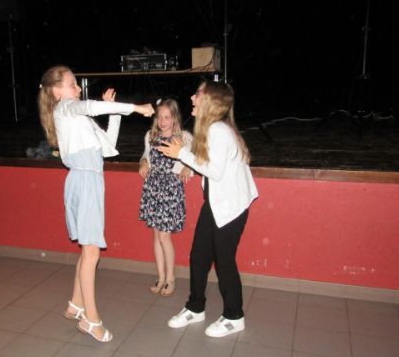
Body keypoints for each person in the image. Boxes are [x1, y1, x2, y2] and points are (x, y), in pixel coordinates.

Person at [38, 65, 154, 343]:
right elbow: (90, 106)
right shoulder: (66, 108)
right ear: (56, 91)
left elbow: (108, 146)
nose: (78, 88)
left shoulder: (76, 117)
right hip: (85, 182)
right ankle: (91, 320)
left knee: (87, 249)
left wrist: (114, 111)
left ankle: (76, 304)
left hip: (87, 180)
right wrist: (136, 108)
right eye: (72, 84)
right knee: (92, 254)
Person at [157, 80, 258, 337]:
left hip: (230, 207)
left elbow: (214, 171)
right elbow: (210, 165)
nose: (192, 98)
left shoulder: (218, 130)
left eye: (197, 94)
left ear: (210, 101)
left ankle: (234, 316)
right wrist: (186, 158)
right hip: (215, 203)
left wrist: (181, 154)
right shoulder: (213, 128)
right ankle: (195, 308)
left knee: (224, 261)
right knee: (199, 256)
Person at [138, 99, 193, 296]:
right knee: (156, 236)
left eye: (167, 117)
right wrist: (143, 162)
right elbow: (145, 156)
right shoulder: (150, 136)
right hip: (153, 188)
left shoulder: (184, 138)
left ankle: (171, 278)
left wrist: (188, 167)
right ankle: (161, 277)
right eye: (160, 117)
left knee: (164, 236)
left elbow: (197, 158)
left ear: (175, 118)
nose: (162, 121)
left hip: (170, 189)